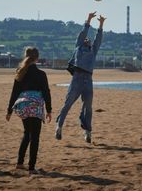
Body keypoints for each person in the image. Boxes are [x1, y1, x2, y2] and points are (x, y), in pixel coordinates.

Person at [55, 12, 106, 143]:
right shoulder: (78, 47)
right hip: (77, 78)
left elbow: (98, 39)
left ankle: (87, 132)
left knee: (88, 107)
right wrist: (89, 20)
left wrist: (101, 24)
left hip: (88, 80)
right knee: (68, 104)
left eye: (88, 40)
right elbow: (83, 33)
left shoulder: (93, 50)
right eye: (85, 39)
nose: (87, 40)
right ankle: (59, 127)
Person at [6, 47, 52, 175]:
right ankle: (31, 168)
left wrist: (9, 110)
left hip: (23, 105)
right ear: (37, 58)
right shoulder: (41, 74)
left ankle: (20, 163)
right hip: (35, 105)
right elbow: (46, 92)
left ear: (25, 56)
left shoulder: (20, 71)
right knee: (35, 137)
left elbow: (14, 92)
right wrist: (49, 110)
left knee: (27, 133)